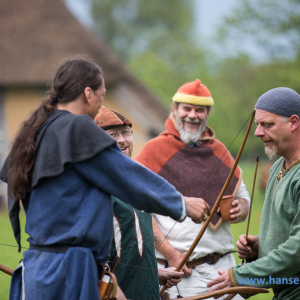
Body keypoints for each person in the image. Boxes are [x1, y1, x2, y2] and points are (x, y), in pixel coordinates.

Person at [0, 58, 210, 300]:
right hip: (68, 273)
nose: (102, 102)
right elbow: (128, 176)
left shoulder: (34, 131)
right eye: (102, 94)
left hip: (38, 269)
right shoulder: (78, 128)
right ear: (88, 93)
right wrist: (181, 203)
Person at [135, 79, 250, 299]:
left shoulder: (219, 151)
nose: (192, 115)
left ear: (207, 114)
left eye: (200, 110)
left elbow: (243, 196)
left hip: (225, 270)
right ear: (175, 110)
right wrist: (171, 254)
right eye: (187, 108)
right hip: (181, 274)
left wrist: (241, 207)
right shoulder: (152, 151)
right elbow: (140, 212)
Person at [207, 87, 300, 300]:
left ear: (294, 123)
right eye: (258, 124)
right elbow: (288, 228)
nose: (258, 132)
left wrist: (240, 276)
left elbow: (297, 250)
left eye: (267, 125)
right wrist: (260, 246)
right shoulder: (278, 166)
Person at [94, 106, 184, 300]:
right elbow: (87, 259)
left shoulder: (135, 183)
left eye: (125, 133)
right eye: (112, 135)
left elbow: (132, 247)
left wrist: (154, 274)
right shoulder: (94, 187)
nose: (121, 140)